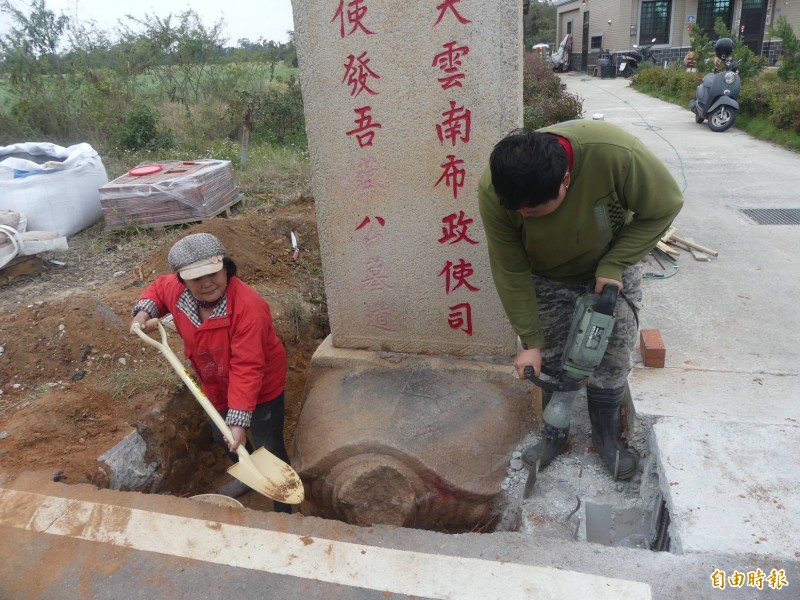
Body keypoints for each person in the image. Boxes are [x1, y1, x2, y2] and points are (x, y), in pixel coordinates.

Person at [477, 120, 683, 479]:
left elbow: (665, 206)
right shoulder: (496, 190)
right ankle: (556, 435)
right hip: (546, 275)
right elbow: (509, 268)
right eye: (519, 212)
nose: (525, 217)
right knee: (553, 359)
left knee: (613, 354)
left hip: (610, 268)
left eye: (535, 210)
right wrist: (531, 341)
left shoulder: (615, 154)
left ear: (566, 181)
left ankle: (606, 438)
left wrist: (616, 263)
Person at [129, 232, 292, 512]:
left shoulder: (249, 308)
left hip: (261, 383)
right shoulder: (176, 291)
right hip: (214, 382)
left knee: (270, 446)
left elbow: (247, 367)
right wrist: (144, 313)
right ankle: (251, 472)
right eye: (196, 279)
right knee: (222, 437)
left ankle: (286, 508)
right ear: (182, 280)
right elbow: (157, 288)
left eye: (214, 274)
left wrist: (239, 422)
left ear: (226, 267)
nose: (207, 284)